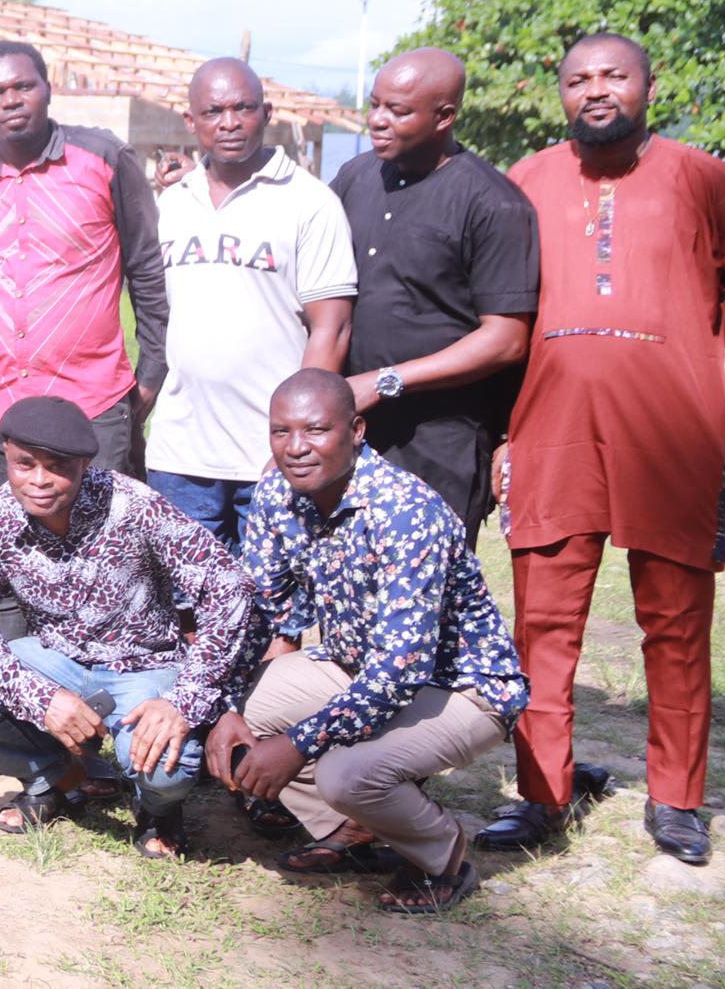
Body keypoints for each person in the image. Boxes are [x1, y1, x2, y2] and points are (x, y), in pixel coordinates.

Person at [477, 33, 725, 866]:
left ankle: (678, 800)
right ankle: (542, 796)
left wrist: (690, 335)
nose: (595, 90)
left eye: (613, 75)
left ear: (648, 85)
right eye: (577, 79)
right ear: (560, 95)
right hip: (552, 433)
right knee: (542, 628)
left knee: (678, 627)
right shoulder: (530, 181)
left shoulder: (702, 177)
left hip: (674, 437)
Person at [205, 370, 528, 915]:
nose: (296, 447)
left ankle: (443, 858)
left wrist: (298, 743)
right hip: (354, 667)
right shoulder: (275, 497)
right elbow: (257, 611)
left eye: (315, 430)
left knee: (345, 771)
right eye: (281, 432)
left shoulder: (405, 512)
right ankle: (354, 832)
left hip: (462, 688)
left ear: (356, 430)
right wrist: (227, 706)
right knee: (244, 710)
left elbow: (400, 671)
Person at [0, 397, 260, 859]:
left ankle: (158, 810)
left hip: (145, 665)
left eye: (58, 466)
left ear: (85, 462)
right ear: (6, 454)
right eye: (24, 464)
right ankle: (57, 779)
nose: (39, 480)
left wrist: (185, 701)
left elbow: (231, 589)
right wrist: (40, 697)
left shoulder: (133, 504)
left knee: (166, 768)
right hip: (55, 660)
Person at [145, 58, 356, 544]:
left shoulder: (310, 201)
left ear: (268, 112)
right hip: (180, 455)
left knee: (270, 613)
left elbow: (331, 327)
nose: (230, 122)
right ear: (190, 121)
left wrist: (297, 437)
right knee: (186, 610)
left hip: (273, 455)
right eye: (214, 110)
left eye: (244, 108)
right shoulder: (173, 202)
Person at [330, 48, 538, 540]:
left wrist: (384, 382)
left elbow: (506, 339)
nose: (378, 120)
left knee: (421, 603)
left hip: (438, 441)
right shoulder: (353, 178)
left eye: (398, 111)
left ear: (445, 116)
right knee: (345, 597)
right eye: (376, 104)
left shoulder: (495, 203)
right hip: (350, 431)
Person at [0, 40, 167, 507]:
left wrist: (152, 369)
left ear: (48, 88)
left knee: (102, 556)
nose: (11, 100)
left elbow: (146, 267)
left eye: (23, 86)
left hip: (90, 402)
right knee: (1, 562)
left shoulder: (103, 159)